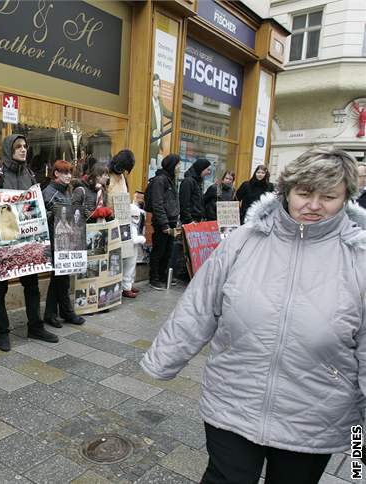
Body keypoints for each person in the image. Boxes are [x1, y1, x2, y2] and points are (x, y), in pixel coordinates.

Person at [141, 147, 366, 483]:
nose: (314, 206)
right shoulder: (244, 241)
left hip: (314, 413)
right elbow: (200, 304)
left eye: (329, 196)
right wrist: (164, 359)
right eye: (304, 193)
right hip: (233, 398)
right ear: (286, 190)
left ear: (347, 196)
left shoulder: (359, 257)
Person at [0, 134, 58, 352]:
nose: (23, 150)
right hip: (2, 241)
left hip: (27, 241)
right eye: (18, 147)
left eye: (25, 146)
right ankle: (2, 332)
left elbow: (35, 208)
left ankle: (35, 326)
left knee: (31, 286)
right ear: (8, 150)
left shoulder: (30, 175)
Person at [42, 161, 85, 328]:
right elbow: (42, 217)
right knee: (60, 278)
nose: (68, 176)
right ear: (56, 174)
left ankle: (56, 313)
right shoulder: (49, 192)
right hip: (54, 242)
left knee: (61, 278)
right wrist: (52, 214)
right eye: (64, 172)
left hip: (65, 242)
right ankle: (62, 313)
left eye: (69, 173)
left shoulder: (65, 191)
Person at [146, 154, 181, 290]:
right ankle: (153, 278)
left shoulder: (171, 179)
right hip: (162, 222)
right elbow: (158, 203)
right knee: (159, 250)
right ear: (172, 165)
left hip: (171, 221)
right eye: (177, 165)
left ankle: (162, 276)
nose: (179, 168)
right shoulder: (160, 180)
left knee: (167, 251)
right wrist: (164, 224)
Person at [108, 149, 140, 298]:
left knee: (129, 253)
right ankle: (116, 285)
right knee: (114, 256)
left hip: (123, 219)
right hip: (109, 220)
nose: (122, 171)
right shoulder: (108, 175)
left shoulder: (122, 177)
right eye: (122, 168)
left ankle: (126, 283)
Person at [179, 158, 211, 225]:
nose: (209, 172)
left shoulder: (197, 182)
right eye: (208, 169)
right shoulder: (188, 181)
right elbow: (184, 203)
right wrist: (189, 220)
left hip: (196, 221)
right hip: (190, 222)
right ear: (201, 168)